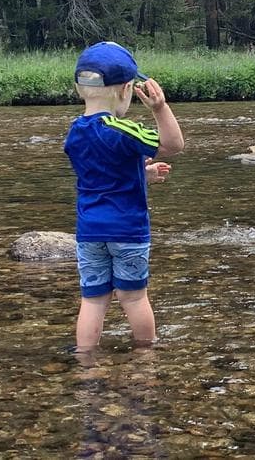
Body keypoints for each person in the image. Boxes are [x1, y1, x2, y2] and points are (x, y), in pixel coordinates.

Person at [64, 42, 184, 356]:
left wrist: (141, 175)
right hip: (128, 230)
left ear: (80, 89)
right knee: (133, 298)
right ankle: (145, 356)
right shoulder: (124, 131)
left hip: (89, 232)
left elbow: (101, 176)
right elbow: (173, 145)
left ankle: (86, 361)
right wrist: (159, 108)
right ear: (126, 89)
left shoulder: (75, 132)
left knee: (92, 300)